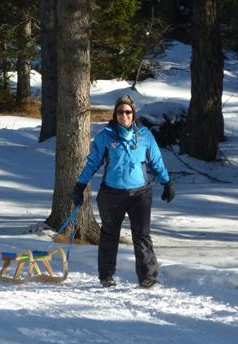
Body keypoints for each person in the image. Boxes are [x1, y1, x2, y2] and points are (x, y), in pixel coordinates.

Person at [72, 95, 175, 288]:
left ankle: (148, 278)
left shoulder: (145, 135)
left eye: (128, 112)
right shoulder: (105, 136)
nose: (124, 115)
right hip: (111, 194)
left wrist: (167, 182)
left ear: (133, 114)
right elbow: (93, 162)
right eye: (120, 112)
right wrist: (80, 185)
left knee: (142, 236)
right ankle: (106, 277)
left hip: (140, 194)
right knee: (109, 235)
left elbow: (156, 160)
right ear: (115, 114)